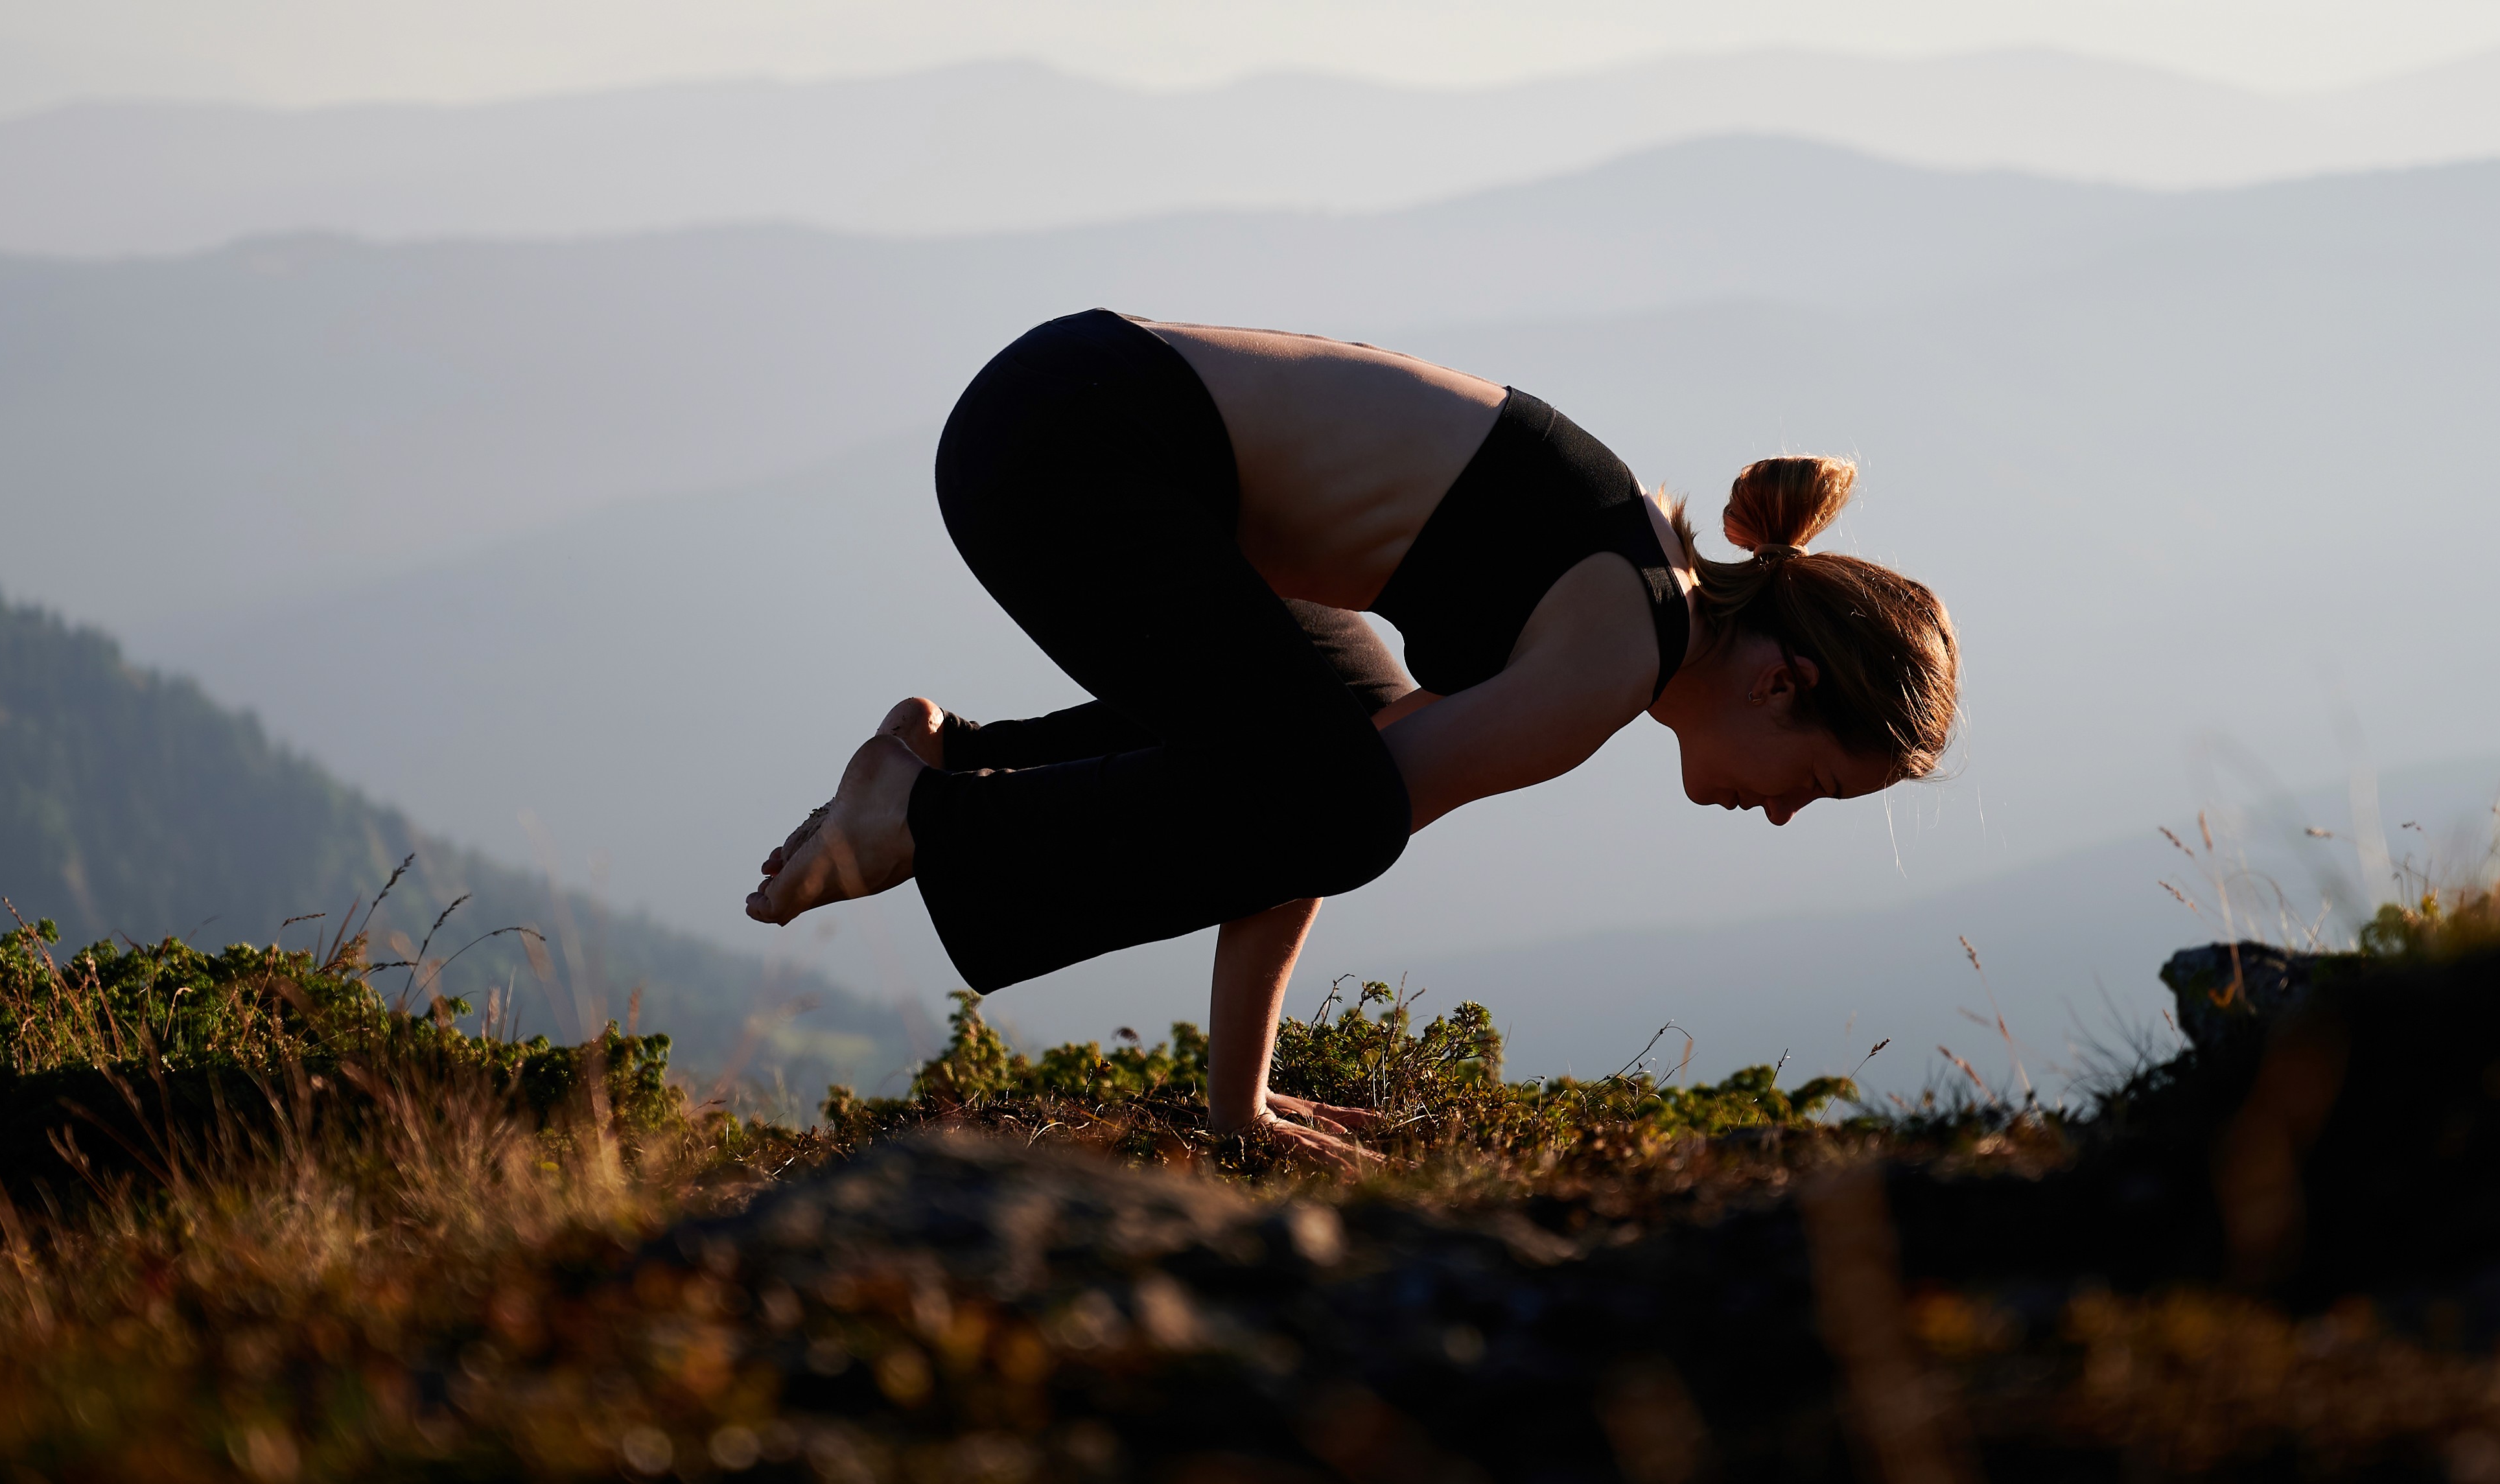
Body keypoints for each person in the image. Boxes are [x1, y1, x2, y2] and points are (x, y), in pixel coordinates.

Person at [747, 310, 1957, 1165]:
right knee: (1342, 799)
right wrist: (1242, 1112)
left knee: (1342, 719)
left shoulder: (1644, 588)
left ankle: (951, 764)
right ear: (1784, 685)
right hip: (1072, 450)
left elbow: (1303, 788)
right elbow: (1315, 828)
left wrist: (1238, 1103)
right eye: (1817, 784)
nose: (1788, 814)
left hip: (1074, 405)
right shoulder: (1611, 659)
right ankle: (915, 814)